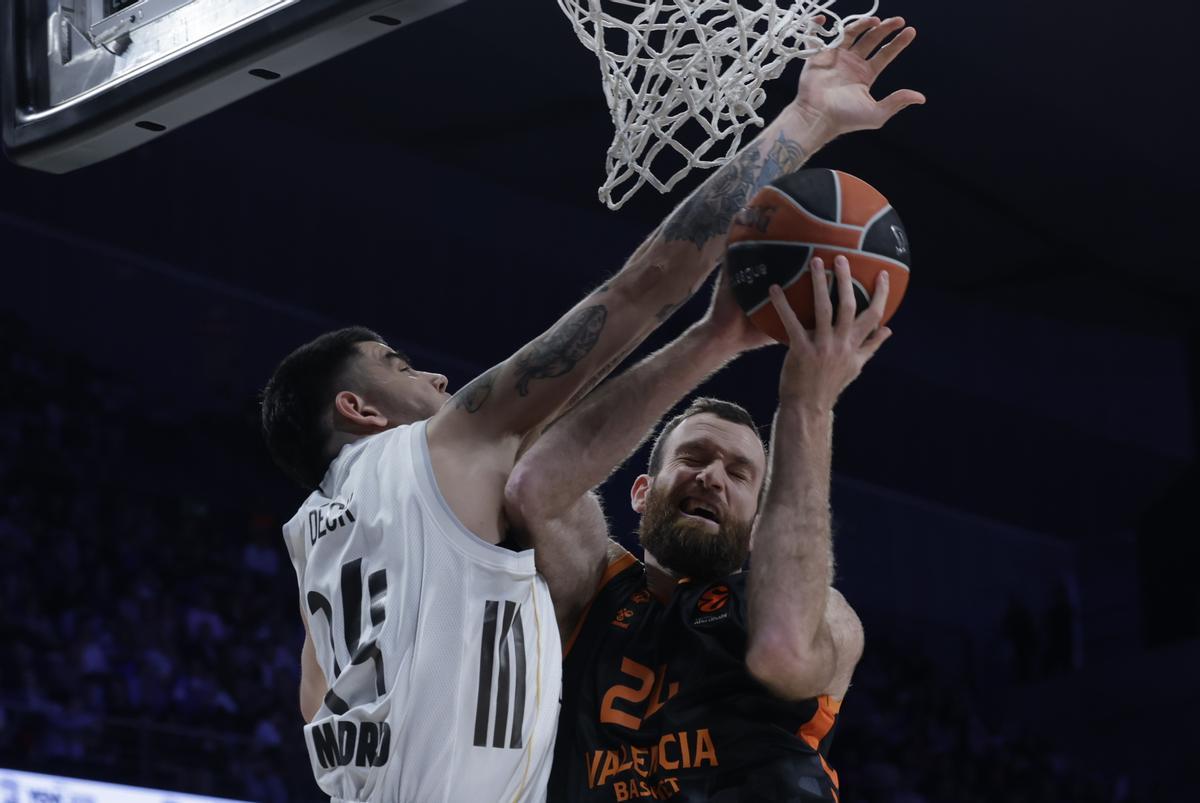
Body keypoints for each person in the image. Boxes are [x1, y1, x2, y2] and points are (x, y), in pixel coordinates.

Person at [257, 13, 920, 799]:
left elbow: (319, 706)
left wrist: (734, 354)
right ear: (360, 408)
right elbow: (640, 290)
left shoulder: (316, 557)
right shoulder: (447, 452)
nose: (438, 380)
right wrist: (805, 121)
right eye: (400, 365)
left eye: (741, 471)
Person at [507, 248, 891, 800]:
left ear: (760, 527)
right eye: (693, 458)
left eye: (738, 473)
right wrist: (713, 339)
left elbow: (784, 649)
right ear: (642, 493)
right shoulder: (596, 591)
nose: (712, 477)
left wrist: (808, 407)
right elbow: (533, 487)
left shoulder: (826, 614)